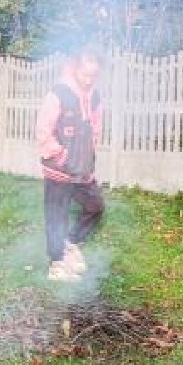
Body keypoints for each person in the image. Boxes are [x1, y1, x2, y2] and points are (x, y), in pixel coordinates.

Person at [36, 45, 105, 281]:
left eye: (93, 76)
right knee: (57, 215)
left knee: (95, 206)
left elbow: (95, 129)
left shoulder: (95, 96)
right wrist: (62, 156)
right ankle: (56, 265)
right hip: (59, 168)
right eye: (84, 75)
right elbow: (43, 132)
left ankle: (71, 243)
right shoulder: (59, 93)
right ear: (75, 69)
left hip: (82, 169)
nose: (88, 80)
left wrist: (88, 160)